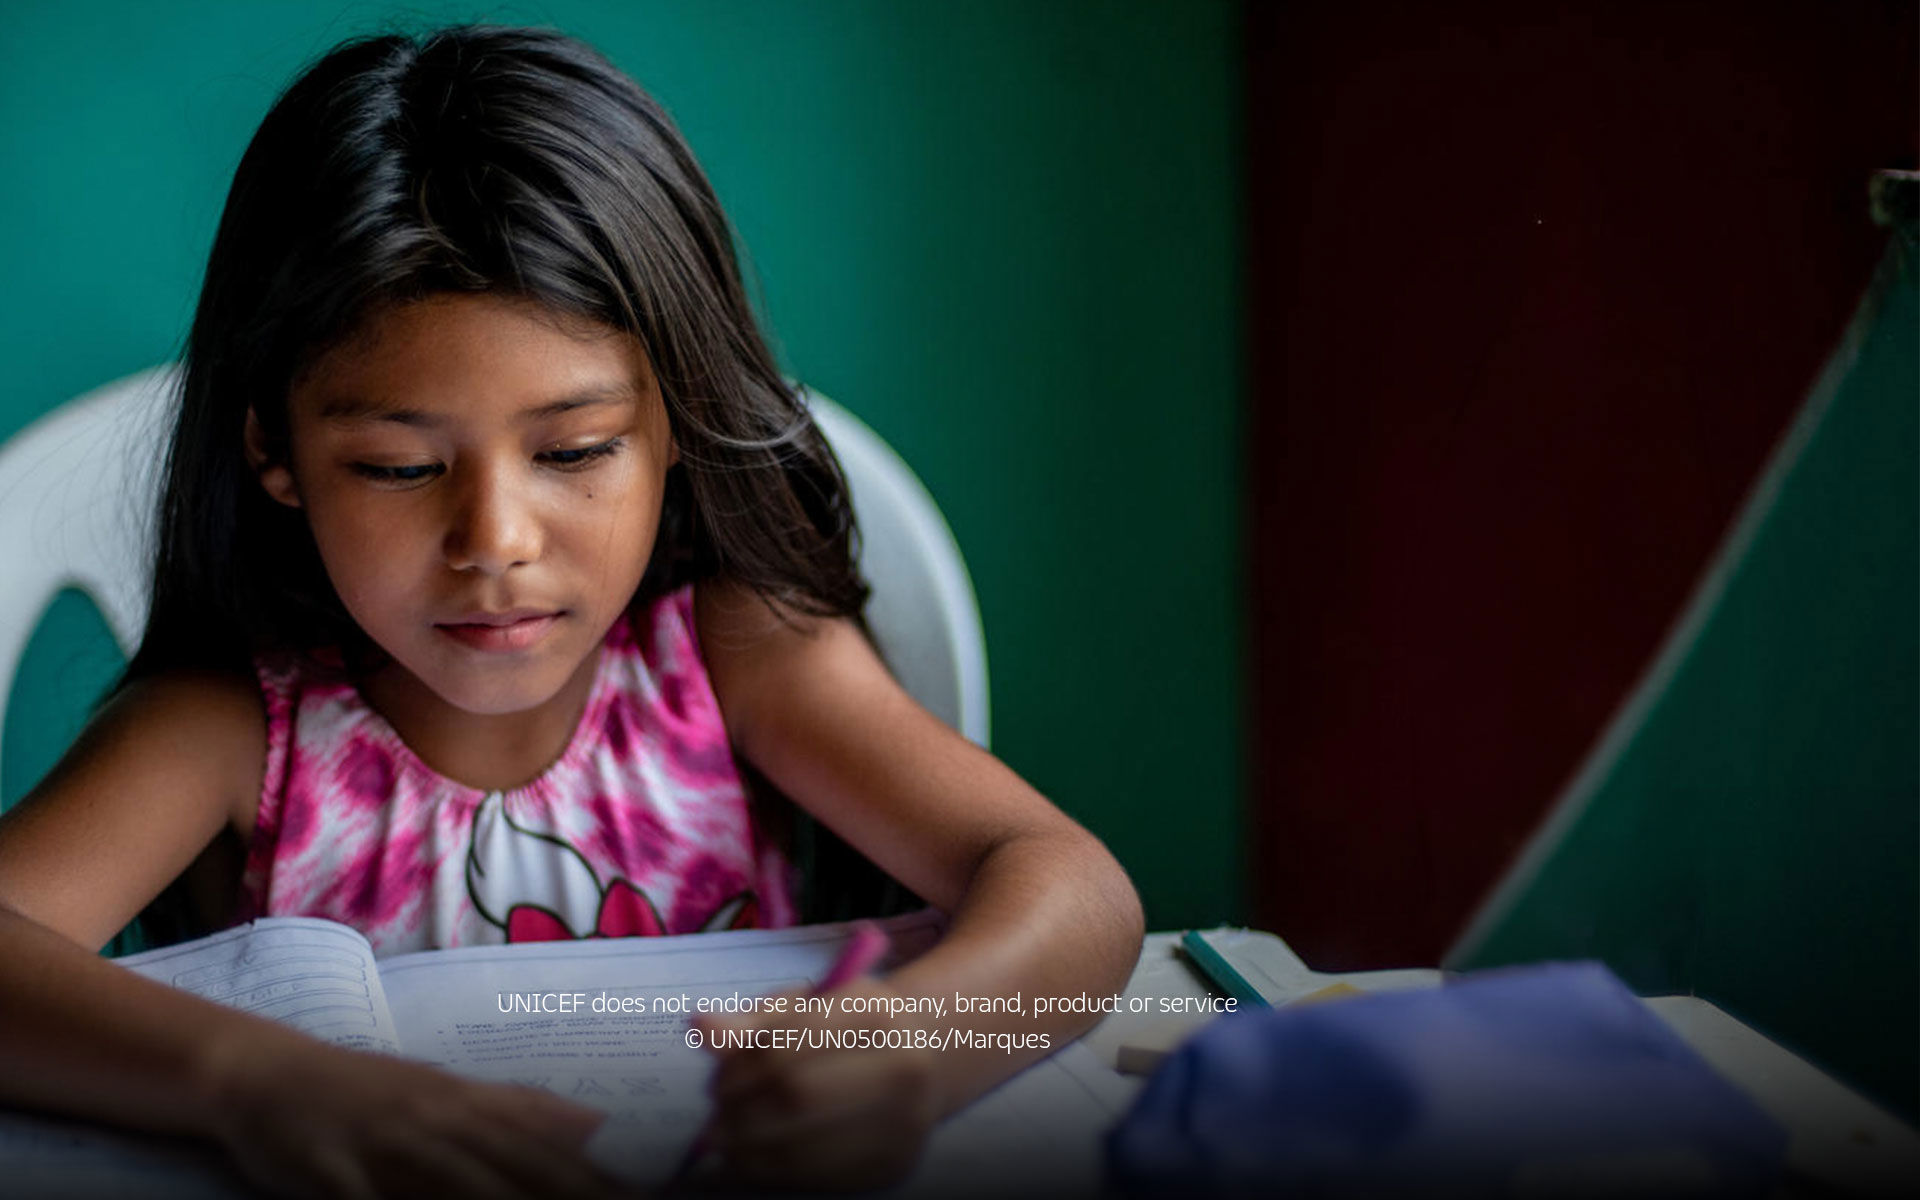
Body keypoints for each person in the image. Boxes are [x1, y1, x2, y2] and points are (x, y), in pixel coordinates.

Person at [0, 25, 1143, 1198]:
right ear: (274, 453)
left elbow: (1074, 887)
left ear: (675, 428)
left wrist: (911, 1053)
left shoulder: (732, 653)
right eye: (398, 467)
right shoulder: (236, 725)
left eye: (577, 449)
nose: (494, 542)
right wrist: (255, 1081)